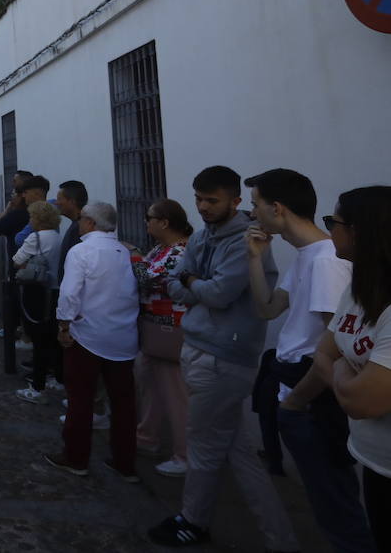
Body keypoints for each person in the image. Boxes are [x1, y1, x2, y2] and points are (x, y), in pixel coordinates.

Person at [149, 166, 297, 550]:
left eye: (211, 200)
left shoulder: (246, 243)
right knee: (239, 453)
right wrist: (193, 282)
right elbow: (174, 283)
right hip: (199, 348)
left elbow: (217, 294)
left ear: (234, 200)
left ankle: (193, 521)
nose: (202, 207)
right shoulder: (201, 237)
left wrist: (191, 281)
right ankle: (280, 539)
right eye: (198, 199)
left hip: (224, 357)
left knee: (203, 447)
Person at [244, 169, 371, 552]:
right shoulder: (308, 255)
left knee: (337, 508)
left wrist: (296, 400)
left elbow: (344, 346)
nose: (253, 214)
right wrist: (255, 258)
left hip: (312, 397)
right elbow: (267, 310)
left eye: (255, 205)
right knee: (328, 502)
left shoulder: (327, 261)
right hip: (298, 391)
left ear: (277, 208)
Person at [313, 186, 391, 550]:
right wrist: (349, 376)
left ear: (361, 231)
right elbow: (322, 353)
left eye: (334, 222)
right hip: (373, 461)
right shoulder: (359, 288)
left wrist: (343, 370)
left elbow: (363, 404)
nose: (329, 230)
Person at [45, 202, 138, 480]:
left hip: (88, 335)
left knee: (80, 399)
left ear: (91, 223)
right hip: (122, 338)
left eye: (83, 218)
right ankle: (125, 462)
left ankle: (75, 457)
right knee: (123, 403)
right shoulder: (127, 251)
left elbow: (70, 292)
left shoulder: (82, 251)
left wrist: (64, 325)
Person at [136, 198, 193, 477]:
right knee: (150, 385)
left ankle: (185, 454)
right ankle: (147, 437)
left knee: (175, 393)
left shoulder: (179, 252)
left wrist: (131, 257)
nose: (146, 222)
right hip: (154, 328)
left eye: (150, 217)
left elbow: (143, 276)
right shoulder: (162, 248)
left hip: (171, 329)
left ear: (165, 222)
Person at [14, 201, 63, 404]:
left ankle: (37, 385)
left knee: (38, 337)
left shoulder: (36, 238)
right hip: (55, 290)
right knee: (51, 336)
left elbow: (17, 260)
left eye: (32, 217)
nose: (30, 220)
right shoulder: (58, 236)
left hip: (36, 291)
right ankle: (56, 377)